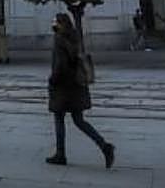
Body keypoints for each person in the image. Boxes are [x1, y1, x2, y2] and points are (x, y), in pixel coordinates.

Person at [46, 12, 114, 169]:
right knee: (79, 120)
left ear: (60, 24)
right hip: (76, 85)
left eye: (55, 21)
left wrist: (52, 80)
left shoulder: (59, 39)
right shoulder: (75, 37)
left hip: (62, 86)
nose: (53, 24)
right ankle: (104, 146)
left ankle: (60, 154)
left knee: (59, 118)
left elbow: (60, 65)